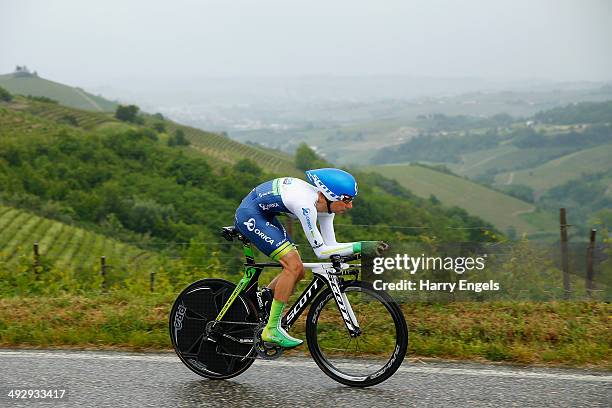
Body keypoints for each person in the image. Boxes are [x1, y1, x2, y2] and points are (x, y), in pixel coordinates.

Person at [234, 168, 385, 348]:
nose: (350, 206)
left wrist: (357, 252)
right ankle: (271, 329)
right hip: (250, 214)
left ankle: (264, 299)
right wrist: (362, 246)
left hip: (265, 213)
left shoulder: (327, 208)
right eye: (346, 200)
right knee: (294, 266)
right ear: (329, 195)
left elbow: (331, 246)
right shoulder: (306, 206)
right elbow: (321, 252)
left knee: (298, 273)